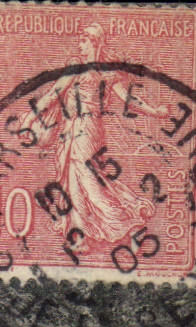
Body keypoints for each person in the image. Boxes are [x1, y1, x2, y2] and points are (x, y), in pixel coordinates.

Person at [27, 25, 171, 255]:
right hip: (72, 130)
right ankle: (79, 237)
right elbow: (53, 95)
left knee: (90, 184)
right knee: (74, 184)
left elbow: (128, 99)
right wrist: (30, 115)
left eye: (84, 41)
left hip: (88, 131)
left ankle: (129, 223)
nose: (79, 45)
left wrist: (154, 111)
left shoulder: (106, 72)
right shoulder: (75, 68)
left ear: (95, 42)